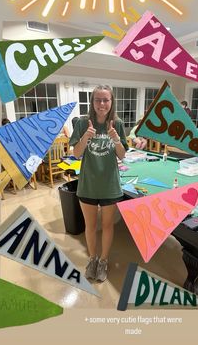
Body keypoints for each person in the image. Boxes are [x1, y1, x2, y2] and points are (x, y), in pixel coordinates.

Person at [69, 85, 128, 282]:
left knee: (108, 225)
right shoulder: (82, 123)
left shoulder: (117, 123)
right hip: (88, 184)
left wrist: (117, 140)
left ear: (112, 102)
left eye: (106, 100)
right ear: (92, 102)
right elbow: (76, 154)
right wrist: (85, 136)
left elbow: (122, 156)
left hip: (110, 185)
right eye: (98, 100)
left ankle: (103, 261)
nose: (102, 104)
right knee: (90, 225)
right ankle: (92, 259)